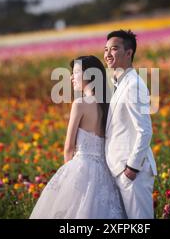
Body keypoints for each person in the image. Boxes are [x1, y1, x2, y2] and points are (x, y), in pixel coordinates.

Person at [29, 55, 126, 219]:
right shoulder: (109, 104)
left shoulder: (80, 103)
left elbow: (69, 148)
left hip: (81, 167)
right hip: (106, 170)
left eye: (75, 72)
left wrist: (66, 179)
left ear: (89, 75)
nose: (72, 77)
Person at [103, 30, 158, 219]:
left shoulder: (133, 84)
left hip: (133, 172)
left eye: (114, 49)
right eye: (106, 49)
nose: (108, 54)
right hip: (120, 170)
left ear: (129, 53)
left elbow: (145, 130)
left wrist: (132, 169)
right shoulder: (119, 84)